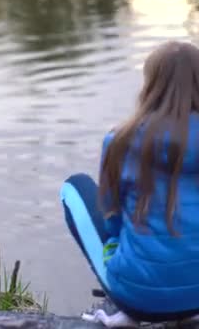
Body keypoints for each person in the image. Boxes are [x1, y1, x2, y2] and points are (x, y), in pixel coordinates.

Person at [60, 41, 199, 324]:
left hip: (140, 301)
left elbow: (112, 222)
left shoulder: (121, 140)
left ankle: (128, 297)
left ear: (150, 85)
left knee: (74, 188)